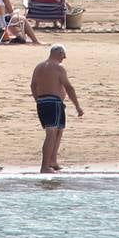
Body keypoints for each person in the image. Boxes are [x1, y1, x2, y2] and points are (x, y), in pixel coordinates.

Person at [30, 44, 83, 174]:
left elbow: (33, 86)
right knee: (51, 133)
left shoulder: (39, 67)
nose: (64, 58)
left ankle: (52, 161)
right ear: (59, 53)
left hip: (44, 102)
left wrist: (38, 100)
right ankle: (45, 166)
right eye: (63, 56)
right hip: (53, 102)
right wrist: (78, 106)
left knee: (59, 130)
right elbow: (69, 88)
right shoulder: (58, 68)